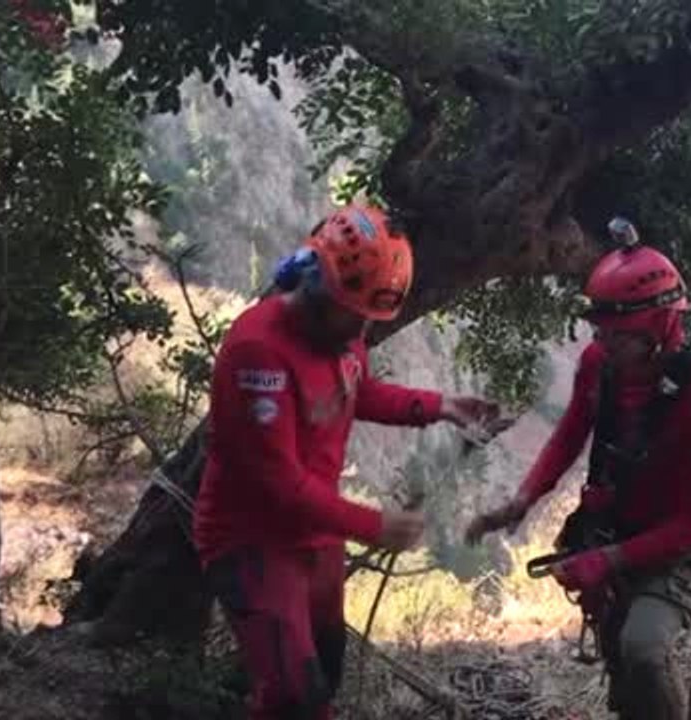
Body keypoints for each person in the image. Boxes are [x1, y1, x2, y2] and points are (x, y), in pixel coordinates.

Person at [194, 203, 503, 720]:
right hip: (252, 544)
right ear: (317, 287)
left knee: (323, 674)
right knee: (298, 697)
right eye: (353, 313)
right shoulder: (259, 352)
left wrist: (442, 406)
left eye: (368, 318)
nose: (360, 328)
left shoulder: (339, 337)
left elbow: (361, 391)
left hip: (316, 538)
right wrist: (373, 525)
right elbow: (277, 483)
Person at [465, 219, 691, 720]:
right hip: (610, 527)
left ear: (659, 328)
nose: (603, 342)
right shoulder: (600, 364)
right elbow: (572, 432)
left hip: (677, 549)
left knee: (643, 649)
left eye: (619, 334)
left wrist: (610, 560)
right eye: (601, 330)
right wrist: (524, 499)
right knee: (620, 660)